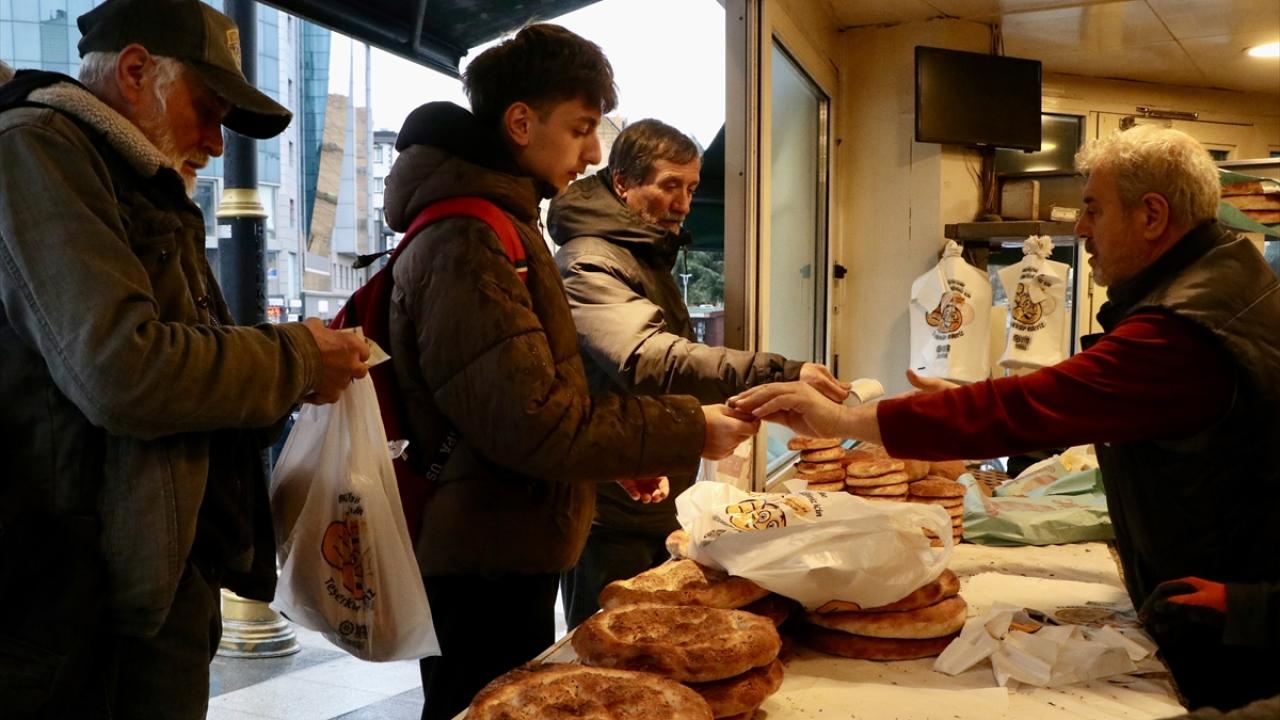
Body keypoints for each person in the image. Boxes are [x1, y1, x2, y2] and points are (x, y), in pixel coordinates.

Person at [729, 125, 1280, 712]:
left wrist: (846, 420)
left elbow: (1032, 408)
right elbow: (1087, 395)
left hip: (1236, 620)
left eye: (1093, 208)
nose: (1080, 229)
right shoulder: (1223, 277)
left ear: (1151, 215)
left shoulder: (1183, 330)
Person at [0, 0, 370, 718]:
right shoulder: (37, 148)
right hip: (73, 608)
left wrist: (299, 374)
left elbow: (181, 378)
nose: (216, 139)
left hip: (153, 588)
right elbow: (120, 369)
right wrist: (292, 359)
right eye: (207, 108)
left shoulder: (138, 177)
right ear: (136, 71)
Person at [380, 26, 759, 720]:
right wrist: (687, 429)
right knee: (484, 707)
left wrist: (606, 461)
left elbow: (521, 396)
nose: (591, 152)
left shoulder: (506, 224)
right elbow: (530, 421)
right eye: (581, 128)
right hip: (481, 558)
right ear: (521, 122)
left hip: (508, 540)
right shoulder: (469, 239)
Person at [548, 118, 847, 628]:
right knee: (609, 646)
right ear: (622, 181)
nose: (684, 204)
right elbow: (650, 358)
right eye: (669, 186)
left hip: (658, 481)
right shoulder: (590, 260)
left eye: (690, 188)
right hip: (612, 503)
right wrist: (776, 371)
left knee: (661, 638)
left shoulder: (642, 255)